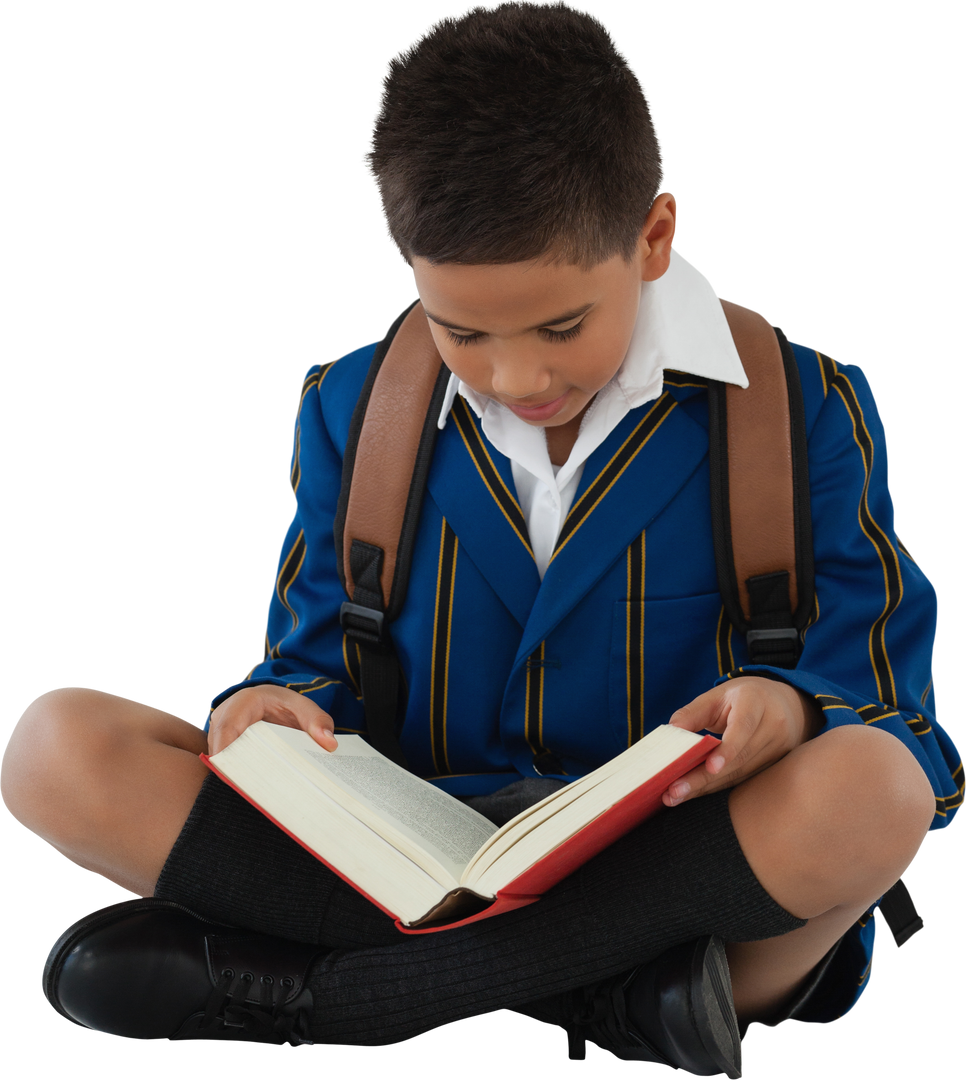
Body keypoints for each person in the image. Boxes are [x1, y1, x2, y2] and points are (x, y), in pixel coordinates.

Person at [2, 2, 958, 1072]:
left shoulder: (799, 402)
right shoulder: (352, 404)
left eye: (561, 328)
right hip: (413, 853)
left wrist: (789, 709)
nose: (517, 379)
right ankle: (607, 1005)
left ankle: (334, 1001)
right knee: (55, 748)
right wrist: (274, 708)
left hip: (683, 875)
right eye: (463, 331)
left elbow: (896, 710)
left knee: (879, 789)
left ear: (653, 236)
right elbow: (316, 655)